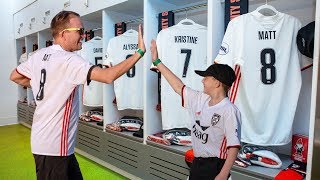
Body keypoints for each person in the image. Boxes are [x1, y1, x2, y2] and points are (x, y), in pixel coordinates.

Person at [10, 10, 145, 180]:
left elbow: (15, 76)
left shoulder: (39, 55)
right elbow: (107, 76)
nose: (84, 35)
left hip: (47, 143)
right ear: (64, 34)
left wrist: (46, 84)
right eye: (80, 31)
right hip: (55, 147)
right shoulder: (69, 60)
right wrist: (139, 52)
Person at [150, 40, 241, 180]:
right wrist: (157, 62)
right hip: (198, 163)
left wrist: (223, 175)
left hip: (216, 166)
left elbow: (233, 147)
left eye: (206, 78)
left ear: (217, 82)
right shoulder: (200, 99)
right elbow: (178, 86)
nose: (202, 81)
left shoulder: (229, 110)